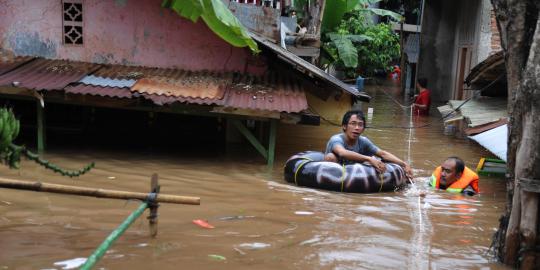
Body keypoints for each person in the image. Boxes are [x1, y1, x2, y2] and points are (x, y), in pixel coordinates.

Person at [324, 110, 413, 177]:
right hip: (337, 175)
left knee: (376, 161)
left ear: (363, 129)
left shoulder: (363, 141)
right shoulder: (336, 139)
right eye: (353, 124)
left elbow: (382, 154)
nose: (357, 128)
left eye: (360, 125)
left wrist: (404, 164)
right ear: (344, 126)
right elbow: (342, 152)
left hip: (355, 174)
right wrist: (369, 159)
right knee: (330, 157)